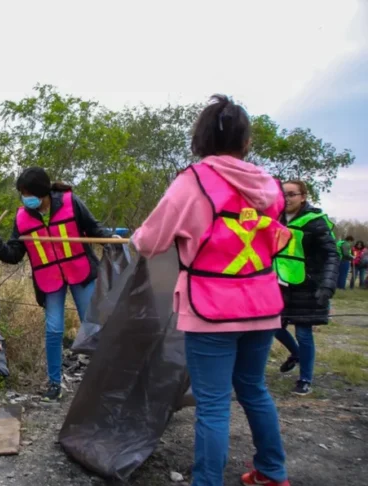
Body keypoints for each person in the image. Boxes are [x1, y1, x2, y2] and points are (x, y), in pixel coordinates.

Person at [132, 95, 291, 486]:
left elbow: (148, 243)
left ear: (200, 138)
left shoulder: (193, 182)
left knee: (214, 406)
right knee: (254, 389)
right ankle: (273, 471)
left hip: (211, 310)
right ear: (245, 141)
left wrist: (135, 237)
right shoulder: (270, 186)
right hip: (263, 307)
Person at [0, 167, 110, 402]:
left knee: (92, 326)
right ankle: (54, 383)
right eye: (21, 193)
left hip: (80, 272)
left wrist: (111, 240)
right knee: (53, 330)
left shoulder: (70, 202)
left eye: (27, 192)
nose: (24, 198)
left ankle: (106, 379)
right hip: (49, 279)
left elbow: (94, 229)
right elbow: (13, 254)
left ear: (42, 193)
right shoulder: (22, 218)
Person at [274, 180, 339, 395]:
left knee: (303, 333)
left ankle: (305, 378)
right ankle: (296, 353)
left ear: (303, 196)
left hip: (307, 286)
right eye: (283, 194)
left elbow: (332, 254)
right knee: (272, 326)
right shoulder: (275, 219)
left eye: (292, 194)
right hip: (279, 285)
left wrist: (328, 285)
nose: (287, 198)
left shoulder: (316, 222)